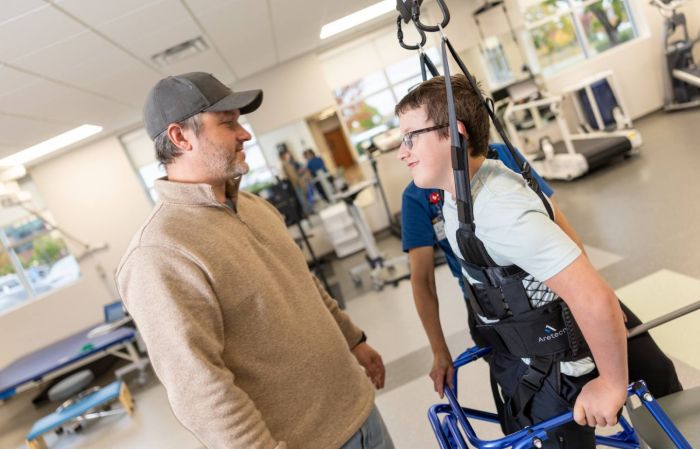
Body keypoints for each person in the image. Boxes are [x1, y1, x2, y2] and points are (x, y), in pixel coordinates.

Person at [116, 72, 394, 449]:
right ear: (180, 137)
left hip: (360, 412)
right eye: (228, 124)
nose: (244, 134)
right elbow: (199, 387)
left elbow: (303, 283)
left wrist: (353, 339)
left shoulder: (253, 206)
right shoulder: (159, 254)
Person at [396, 74, 629, 448]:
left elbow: (594, 298)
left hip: (557, 346)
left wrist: (612, 383)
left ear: (454, 134)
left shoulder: (500, 211)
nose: (401, 151)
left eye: (411, 137)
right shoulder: (457, 193)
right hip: (516, 334)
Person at [401, 147, 681, 405]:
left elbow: (558, 221)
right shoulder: (417, 195)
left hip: (560, 283)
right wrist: (439, 349)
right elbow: (423, 280)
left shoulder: (501, 155)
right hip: (498, 314)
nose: (405, 152)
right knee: (544, 415)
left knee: (656, 372)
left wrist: (597, 294)